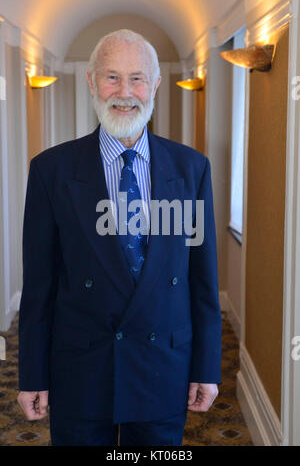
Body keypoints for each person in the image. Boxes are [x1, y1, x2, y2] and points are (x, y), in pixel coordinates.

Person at [17, 29, 222, 446]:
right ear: (91, 81)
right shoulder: (50, 171)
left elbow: (203, 281)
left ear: (155, 85)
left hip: (164, 365)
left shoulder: (191, 169)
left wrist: (206, 367)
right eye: (112, 77)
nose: (124, 92)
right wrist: (32, 374)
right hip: (81, 368)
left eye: (137, 78)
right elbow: (39, 286)